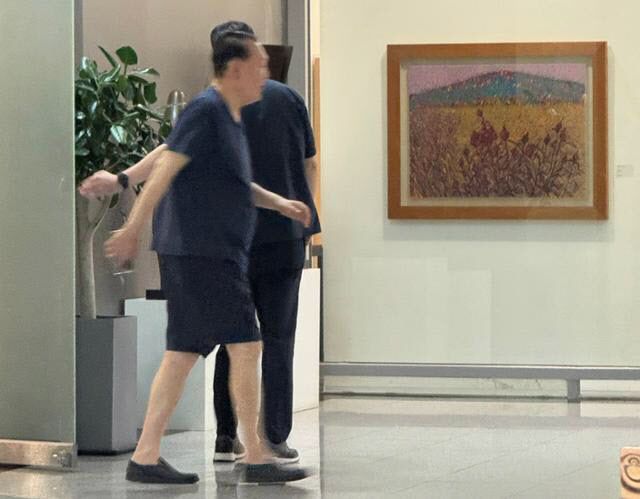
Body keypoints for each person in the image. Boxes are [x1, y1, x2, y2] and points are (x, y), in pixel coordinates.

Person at [80, 22, 321, 466]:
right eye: (259, 65)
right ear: (235, 67)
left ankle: (154, 455)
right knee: (245, 345)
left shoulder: (229, 113)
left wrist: (281, 204)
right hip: (203, 252)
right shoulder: (207, 110)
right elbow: (166, 164)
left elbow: (235, 182)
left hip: (213, 250)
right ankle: (256, 452)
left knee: (189, 352)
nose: (266, 74)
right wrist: (132, 221)